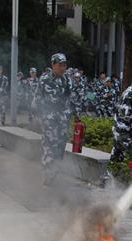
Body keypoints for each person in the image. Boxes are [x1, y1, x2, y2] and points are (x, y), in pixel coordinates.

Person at [34, 53, 73, 186]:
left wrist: (75, 115)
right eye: (60, 65)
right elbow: (37, 100)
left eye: (64, 65)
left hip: (63, 120)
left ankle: (55, 172)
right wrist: (40, 117)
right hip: (49, 120)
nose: (63, 68)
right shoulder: (45, 80)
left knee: (60, 147)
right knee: (49, 146)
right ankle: (47, 174)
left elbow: (70, 100)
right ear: (53, 65)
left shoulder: (67, 80)